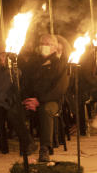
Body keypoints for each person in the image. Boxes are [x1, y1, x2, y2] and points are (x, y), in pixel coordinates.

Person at [20, 34, 69, 162]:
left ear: (54, 47)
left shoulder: (60, 64)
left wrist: (39, 100)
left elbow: (59, 89)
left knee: (45, 110)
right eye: (42, 43)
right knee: (14, 111)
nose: (44, 46)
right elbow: (25, 83)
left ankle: (45, 149)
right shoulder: (32, 63)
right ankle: (29, 141)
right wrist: (27, 99)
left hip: (51, 101)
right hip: (33, 100)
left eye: (47, 44)